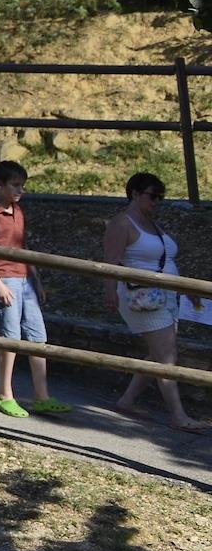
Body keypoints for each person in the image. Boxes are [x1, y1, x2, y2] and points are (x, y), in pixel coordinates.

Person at [103, 172, 206, 432]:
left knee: (158, 353)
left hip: (166, 296)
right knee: (167, 357)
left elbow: (166, 261)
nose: (156, 201)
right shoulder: (122, 223)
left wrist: (186, 289)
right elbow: (110, 261)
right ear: (135, 193)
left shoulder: (150, 223)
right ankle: (178, 414)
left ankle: (127, 400)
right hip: (143, 296)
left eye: (160, 197)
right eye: (152, 196)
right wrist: (110, 291)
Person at [0, 162, 68, 418]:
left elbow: (22, 248)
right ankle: (4, 394)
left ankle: (42, 396)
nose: (20, 190)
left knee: (37, 337)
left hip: (25, 280)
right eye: (15, 185)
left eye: (22, 185)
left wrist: (36, 279)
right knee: (10, 338)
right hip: (5, 278)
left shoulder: (18, 211)